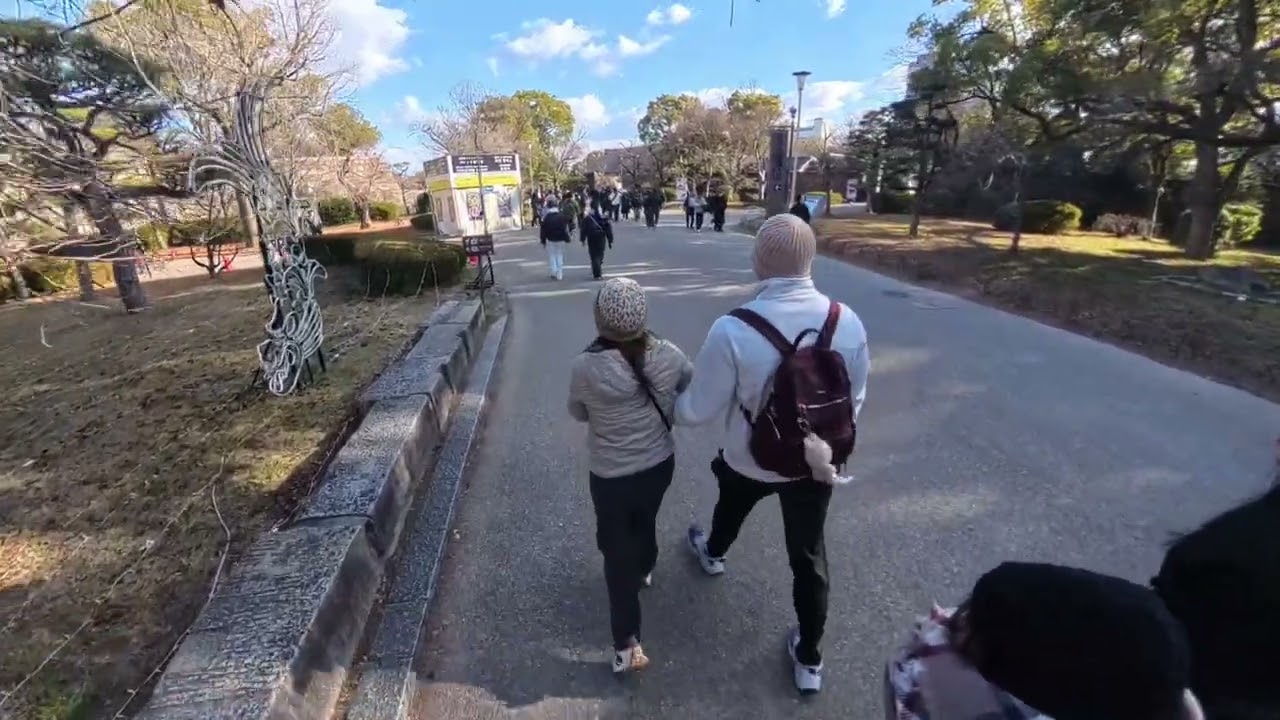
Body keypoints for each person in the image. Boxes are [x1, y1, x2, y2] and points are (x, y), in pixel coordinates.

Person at [674, 213, 870, 694]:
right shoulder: (845, 321)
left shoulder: (733, 329)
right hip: (815, 463)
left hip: (752, 457)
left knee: (731, 502)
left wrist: (666, 399)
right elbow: (855, 398)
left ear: (758, 261)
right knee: (808, 555)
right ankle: (809, 659)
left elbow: (696, 411)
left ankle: (714, 553)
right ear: (813, 259)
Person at [568, 278, 693, 674]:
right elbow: (688, 385)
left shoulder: (586, 366)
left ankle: (626, 643)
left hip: (611, 473)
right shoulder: (670, 355)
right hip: (658, 464)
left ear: (599, 318)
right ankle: (645, 567)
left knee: (614, 547)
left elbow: (578, 413)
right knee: (646, 519)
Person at [539, 196, 572, 280]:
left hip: (550, 239)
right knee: (559, 254)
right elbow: (565, 229)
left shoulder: (547, 218)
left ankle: (554, 271)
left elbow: (543, 230)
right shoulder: (561, 216)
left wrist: (543, 240)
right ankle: (559, 273)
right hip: (560, 238)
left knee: (552, 255)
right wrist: (567, 238)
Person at [581, 201, 615, 280]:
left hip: (591, 237)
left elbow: (583, 229)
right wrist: (610, 240)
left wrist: (582, 239)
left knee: (593, 254)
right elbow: (608, 229)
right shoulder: (603, 217)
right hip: (601, 237)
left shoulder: (588, 218)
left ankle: (596, 270)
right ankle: (598, 269)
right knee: (600, 253)